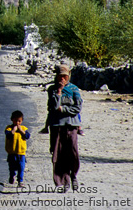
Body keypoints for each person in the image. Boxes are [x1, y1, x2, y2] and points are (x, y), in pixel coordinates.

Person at [47, 64, 83, 192]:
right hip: (57, 126)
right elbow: (54, 107)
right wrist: (59, 93)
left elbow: (77, 108)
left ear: (68, 77)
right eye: (60, 76)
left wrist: (64, 109)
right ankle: (64, 180)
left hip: (71, 125)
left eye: (65, 76)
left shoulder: (74, 89)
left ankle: (73, 175)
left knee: (72, 153)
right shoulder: (51, 89)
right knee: (58, 154)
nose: (62, 79)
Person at [5, 110, 31, 188]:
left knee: (21, 167)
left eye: (19, 121)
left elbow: (27, 136)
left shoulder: (23, 128)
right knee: (12, 166)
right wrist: (13, 130)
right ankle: (12, 176)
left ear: (22, 121)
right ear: (12, 119)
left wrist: (21, 131)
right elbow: (8, 135)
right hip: (12, 152)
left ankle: (20, 181)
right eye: (15, 121)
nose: (17, 123)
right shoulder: (9, 128)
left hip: (21, 152)